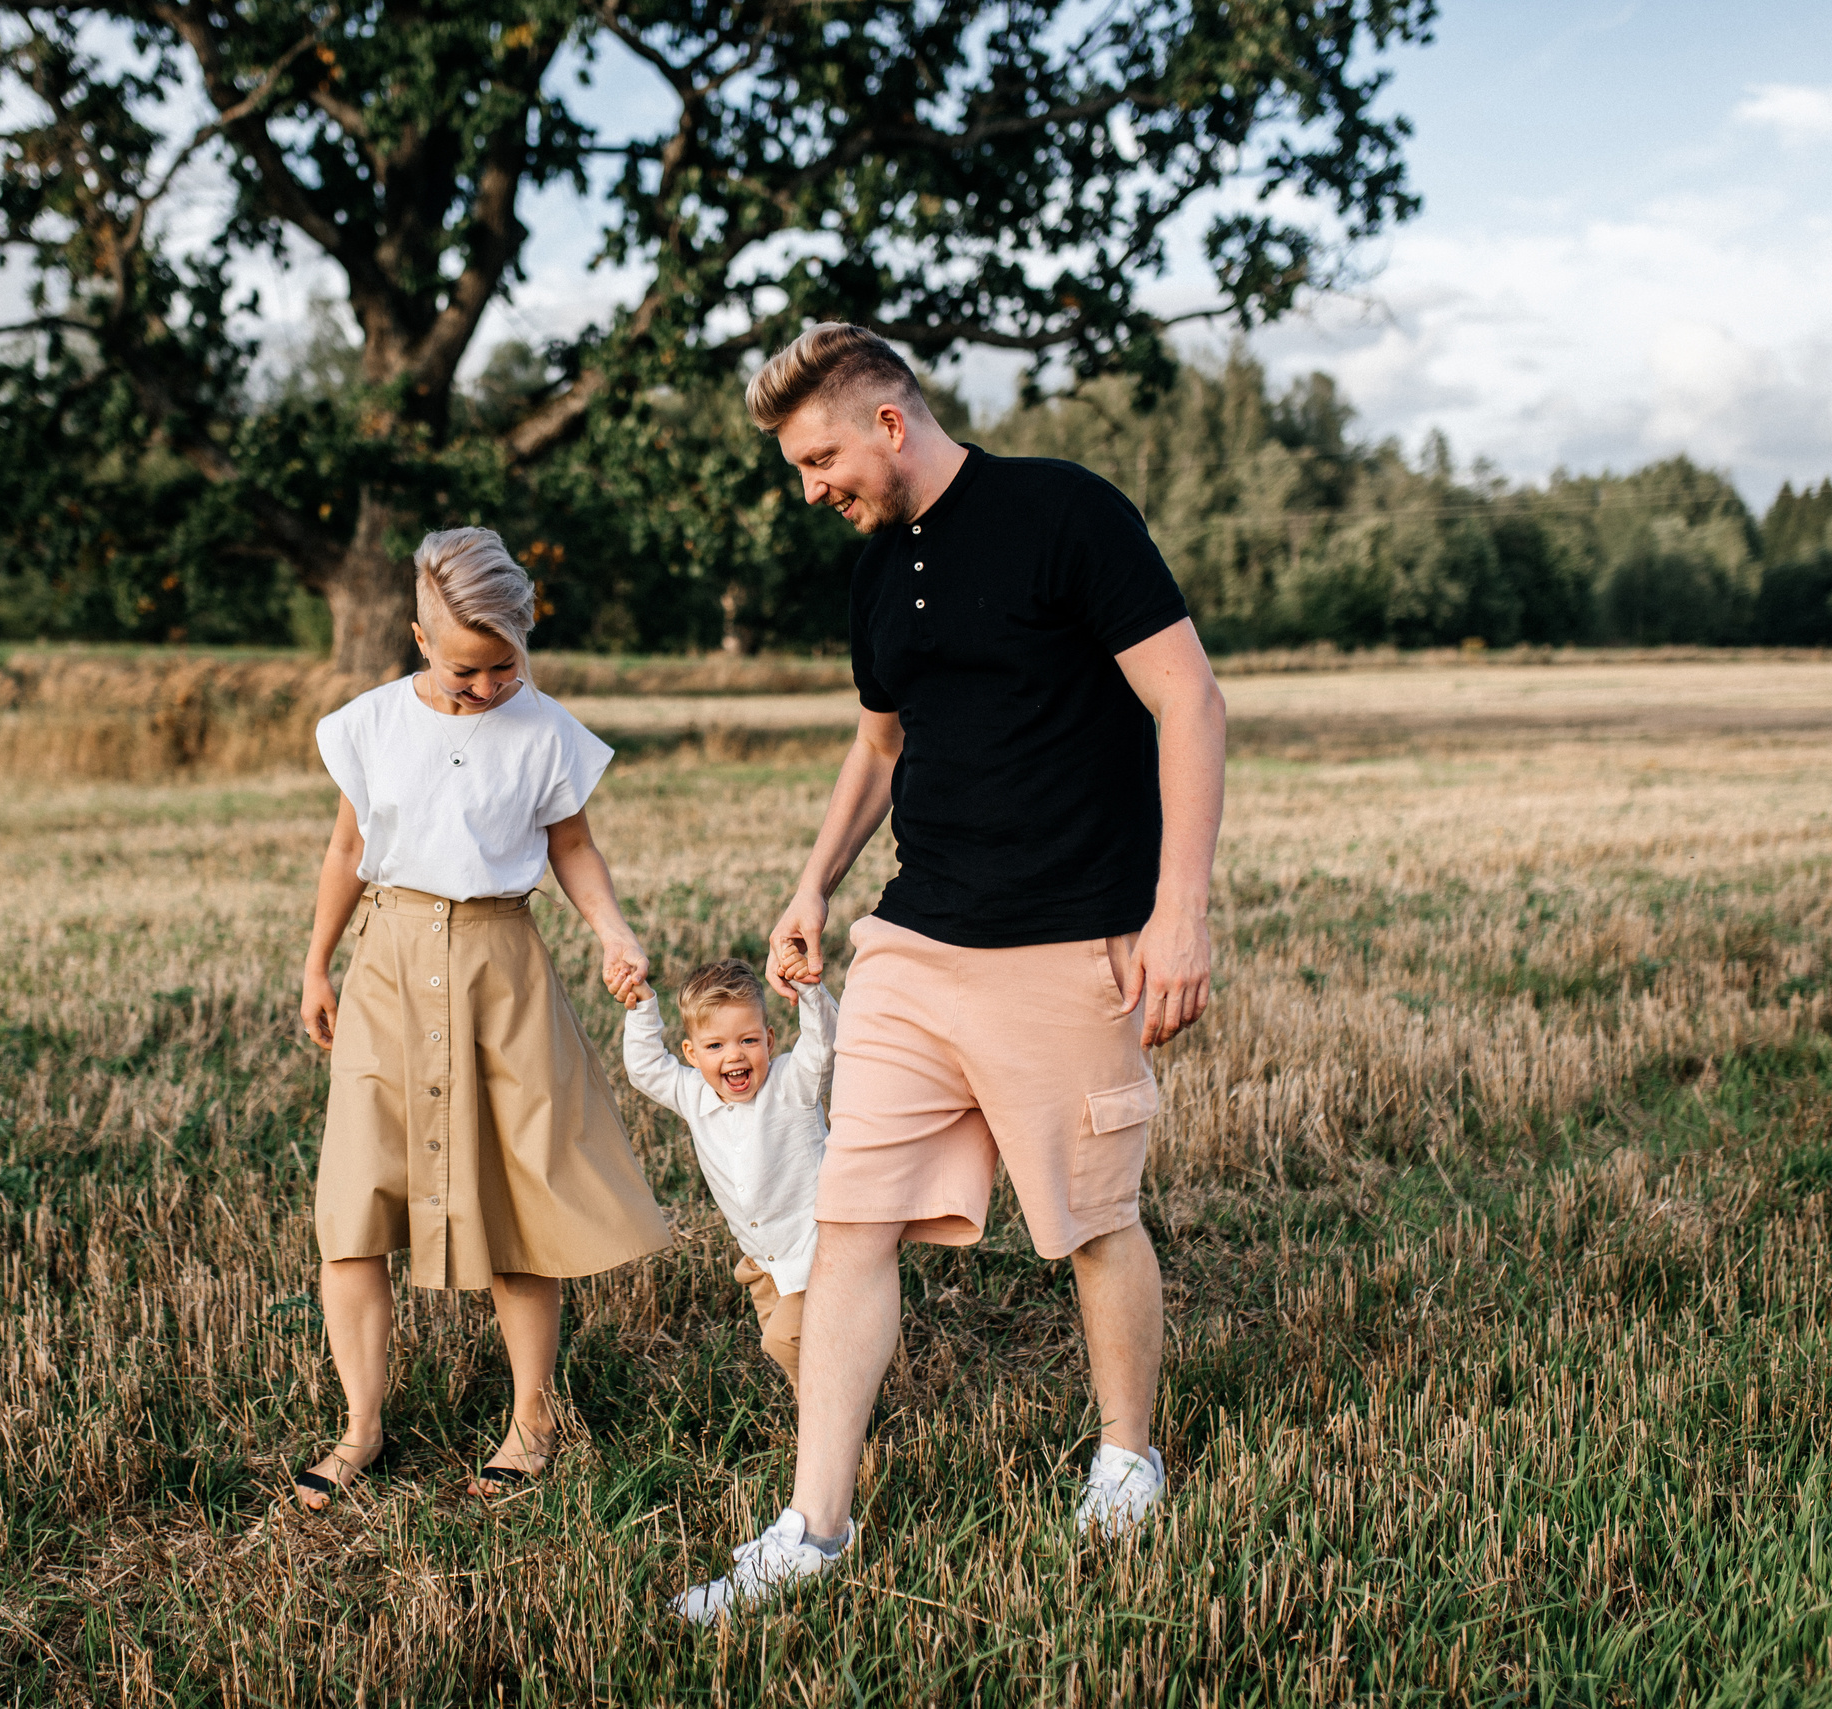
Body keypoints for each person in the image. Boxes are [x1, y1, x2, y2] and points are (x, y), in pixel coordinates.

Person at [671, 324, 1227, 1623]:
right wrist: (815, 885)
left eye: (816, 459)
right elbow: (879, 748)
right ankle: (814, 1525)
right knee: (852, 1219)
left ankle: (1126, 1457)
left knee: (1090, 1218)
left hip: (1067, 936)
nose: (811, 489)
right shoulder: (876, 579)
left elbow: (1189, 701)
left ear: (887, 421)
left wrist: (1179, 912)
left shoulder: (1063, 513)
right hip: (915, 939)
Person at [297, 527, 669, 1508]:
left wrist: (613, 930)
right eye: (466, 667)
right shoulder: (369, 725)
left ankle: (531, 1420)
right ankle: (360, 1426)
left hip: (502, 969)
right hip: (387, 964)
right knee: (353, 1207)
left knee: (518, 1207)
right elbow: (346, 851)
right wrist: (316, 962)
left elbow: (573, 847)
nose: (485, 685)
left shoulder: (546, 731)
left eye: (504, 664)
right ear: (420, 635)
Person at [622, 956, 837, 1389]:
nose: (735, 1055)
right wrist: (643, 1007)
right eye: (715, 1046)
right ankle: (823, 1419)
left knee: (786, 1344)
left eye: (749, 1040)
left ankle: (838, 1414)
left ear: (770, 1040)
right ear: (691, 1053)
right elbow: (645, 1070)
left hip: (814, 1252)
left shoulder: (791, 1084)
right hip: (762, 1265)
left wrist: (809, 989)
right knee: (804, 1358)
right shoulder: (694, 1094)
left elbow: (824, 1045)